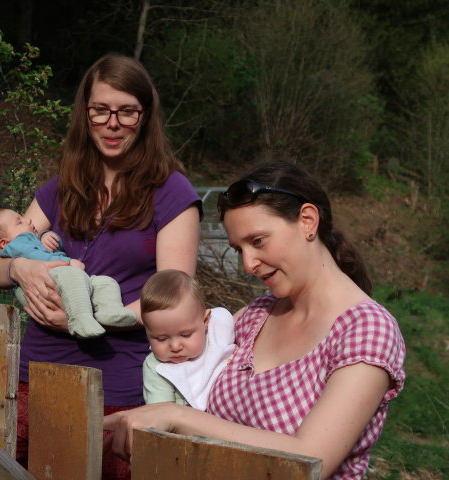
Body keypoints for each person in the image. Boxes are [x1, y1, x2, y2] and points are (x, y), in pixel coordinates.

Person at [104, 160, 405, 480]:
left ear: (307, 221)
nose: (248, 264)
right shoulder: (256, 315)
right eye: (238, 249)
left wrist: (175, 417)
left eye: (258, 241)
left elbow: (311, 460)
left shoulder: (366, 330)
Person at [0, 53, 202, 478]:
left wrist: (87, 319)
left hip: (116, 383)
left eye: (126, 112)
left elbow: (171, 299)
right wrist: (19, 270)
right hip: (36, 376)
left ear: (146, 115)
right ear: (85, 113)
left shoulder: (172, 192)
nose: (112, 123)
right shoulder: (63, 186)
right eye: (100, 110)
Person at [0, 207, 137, 338]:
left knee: (105, 282)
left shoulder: (26, 241)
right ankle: (81, 320)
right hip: (51, 279)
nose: (27, 219)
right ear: (4, 243)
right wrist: (69, 264)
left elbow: (43, 249)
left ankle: (110, 311)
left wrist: (45, 236)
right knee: (74, 276)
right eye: (19, 222)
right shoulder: (18, 245)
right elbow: (37, 257)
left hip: (58, 279)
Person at [141, 269, 235, 410]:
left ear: (205, 321)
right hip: (186, 429)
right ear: (148, 333)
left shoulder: (218, 335)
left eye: (185, 335)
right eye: (161, 339)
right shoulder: (157, 368)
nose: (175, 346)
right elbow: (161, 414)